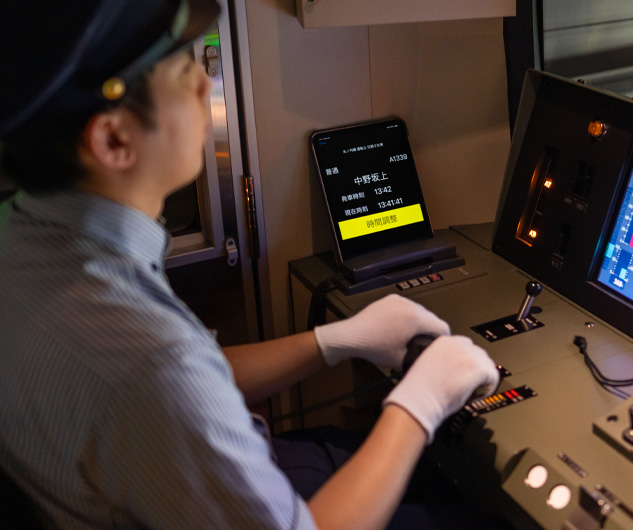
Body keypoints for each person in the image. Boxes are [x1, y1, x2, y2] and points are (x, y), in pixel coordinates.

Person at [0, 1, 500, 529]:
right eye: (180, 69)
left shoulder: (24, 237)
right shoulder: (141, 355)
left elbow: (193, 380)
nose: (203, 84)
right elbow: (165, 380)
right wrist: (420, 402)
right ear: (113, 138)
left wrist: (333, 342)